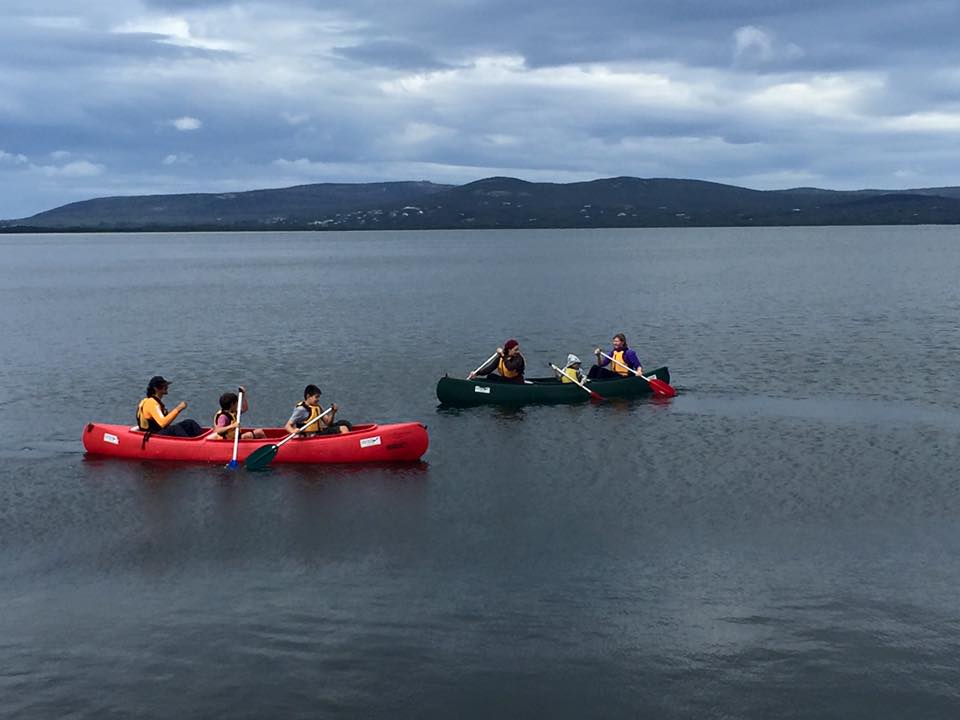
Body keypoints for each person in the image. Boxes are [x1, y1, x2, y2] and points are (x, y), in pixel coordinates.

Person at [136, 375, 204, 437]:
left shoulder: (156, 402)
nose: (167, 387)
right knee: (174, 428)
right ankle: (190, 445)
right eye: (164, 386)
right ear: (156, 389)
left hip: (159, 431)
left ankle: (204, 441)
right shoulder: (151, 403)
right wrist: (178, 409)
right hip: (153, 435)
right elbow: (163, 423)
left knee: (189, 423)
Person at [284, 384, 353, 436]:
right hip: (310, 437)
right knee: (343, 428)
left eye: (318, 397)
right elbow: (287, 426)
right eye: (316, 397)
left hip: (318, 432)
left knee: (345, 424)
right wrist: (293, 431)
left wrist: (333, 412)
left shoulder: (317, 406)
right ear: (308, 396)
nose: (318, 399)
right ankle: (348, 445)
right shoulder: (301, 409)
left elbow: (328, 423)